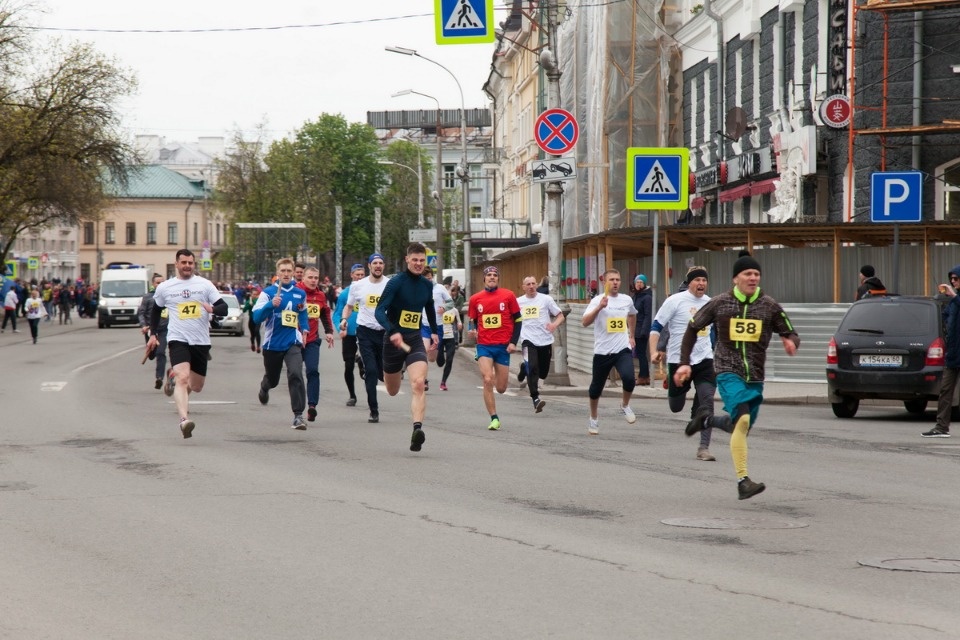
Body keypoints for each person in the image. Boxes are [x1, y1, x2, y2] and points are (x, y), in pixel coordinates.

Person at [676, 252, 800, 500]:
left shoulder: (769, 305)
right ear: (736, 278)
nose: (753, 277)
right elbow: (692, 328)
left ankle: (706, 420)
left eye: (756, 274)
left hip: (755, 375)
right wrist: (684, 363)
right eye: (747, 274)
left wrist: (790, 341)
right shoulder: (720, 303)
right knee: (742, 418)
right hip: (727, 370)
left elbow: (791, 331)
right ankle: (743, 481)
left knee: (739, 427)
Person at [649, 266, 727, 461]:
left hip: (704, 359)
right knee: (676, 406)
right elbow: (656, 327)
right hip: (679, 361)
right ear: (689, 282)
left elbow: (719, 333)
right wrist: (653, 351)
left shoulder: (710, 303)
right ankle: (687, 400)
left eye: (704, 280)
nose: (701, 283)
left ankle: (703, 448)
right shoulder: (674, 301)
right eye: (697, 280)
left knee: (707, 401)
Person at [147, 249, 227, 439]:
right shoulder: (166, 287)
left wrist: (213, 308)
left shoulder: (204, 285)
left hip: (200, 340)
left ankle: (174, 379)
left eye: (190, 263)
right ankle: (184, 420)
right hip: (178, 339)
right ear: (176, 264)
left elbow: (224, 307)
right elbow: (156, 311)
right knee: (183, 378)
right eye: (183, 263)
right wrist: (153, 334)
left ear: (194, 264)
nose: (187, 266)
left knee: (196, 386)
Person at [374, 242, 439, 452]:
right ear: (407, 260)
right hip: (393, 341)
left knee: (419, 383)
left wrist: (436, 331)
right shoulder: (396, 283)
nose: (419, 264)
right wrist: (392, 330)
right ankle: (381, 368)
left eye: (422, 260)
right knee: (392, 390)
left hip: (414, 339)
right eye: (415, 260)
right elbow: (379, 311)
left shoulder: (427, 285)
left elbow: (429, 307)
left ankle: (417, 430)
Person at [251, 258, 311, 430]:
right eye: (282, 271)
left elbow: (302, 313)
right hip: (272, 344)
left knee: (296, 374)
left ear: (293, 272)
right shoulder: (268, 293)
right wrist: (271, 305)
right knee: (274, 379)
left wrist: (305, 329)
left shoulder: (300, 293)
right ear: (277, 273)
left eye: (288, 271)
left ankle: (298, 416)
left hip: (292, 341)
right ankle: (265, 386)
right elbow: (257, 317)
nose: (286, 274)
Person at [581, 269, 638, 435]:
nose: (615, 282)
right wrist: (599, 308)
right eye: (612, 279)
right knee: (595, 389)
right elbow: (584, 322)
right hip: (602, 351)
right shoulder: (598, 300)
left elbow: (632, 315)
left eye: (618, 280)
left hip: (622, 349)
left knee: (629, 378)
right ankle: (593, 418)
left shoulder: (626, 300)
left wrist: (631, 335)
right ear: (604, 282)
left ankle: (625, 405)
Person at [467, 265, 522, 431]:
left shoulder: (508, 295)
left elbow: (518, 320)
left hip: (503, 346)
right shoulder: (475, 299)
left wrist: (513, 342)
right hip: (484, 345)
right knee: (487, 379)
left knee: (501, 388)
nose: (492, 277)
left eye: (494, 275)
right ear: (484, 279)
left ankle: (519, 369)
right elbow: (473, 319)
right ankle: (494, 418)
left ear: (498, 279)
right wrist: (473, 330)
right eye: (489, 275)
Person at [342, 253, 390, 423]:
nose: (378, 266)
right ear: (369, 266)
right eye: (375, 263)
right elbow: (348, 307)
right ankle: (373, 410)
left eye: (381, 263)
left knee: (383, 374)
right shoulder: (358, 286)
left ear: (383, 266)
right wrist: (344, 320)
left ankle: (362, 362)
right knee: (371, 371)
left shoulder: (390, 284)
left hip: (384, 333)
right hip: (365, 332)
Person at [516, 275, 565, 413]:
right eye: (528, 284)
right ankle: (535, 399)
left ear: (537, 285)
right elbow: (509, 318)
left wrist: (554, 325)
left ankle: (522, 368)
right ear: (523, 287)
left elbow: (560, 315)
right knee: (532, 368)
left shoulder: (546, 299)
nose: (531, 286)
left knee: (543, 373)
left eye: (533, 283)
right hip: (527, 340)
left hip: (545, 340)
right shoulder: (518, 301)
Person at [923, 265, 960, 438]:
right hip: (953, 354)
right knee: (945, 391)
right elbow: (946, 318)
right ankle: (941, 426)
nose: (953, 282)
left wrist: (954, 297)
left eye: (956, 278)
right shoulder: (954, 302)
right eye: (951, 279)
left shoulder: (957, 299)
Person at [298, 266, 335, 422]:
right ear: (303, 278)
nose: (313, 281)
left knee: (313, 371)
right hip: (294, 341)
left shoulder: (320, 295)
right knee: (295, 374)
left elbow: (325, 313)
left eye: (316, 278)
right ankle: (267, 385)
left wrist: (329, 331)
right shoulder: (295, 292)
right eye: (310, 277)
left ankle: (312, 406)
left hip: (312, 340)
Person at [334, 264, 366, 406]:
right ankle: (352, 395)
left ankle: (361, 362)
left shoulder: (369, 291)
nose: (359, 277)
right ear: (351, 275)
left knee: (370, 362)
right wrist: (340, 326)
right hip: (349, 333)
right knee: (348, 365)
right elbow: (337, 314)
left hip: (365, 332)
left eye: (362, 274)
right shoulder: (345, 294)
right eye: (357, 274)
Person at [421, 266, 454, 390]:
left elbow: (451, 303)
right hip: (424, 325)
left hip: (438, 326)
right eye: (425, 279)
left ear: (432, 277)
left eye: (430, 278)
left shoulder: (439, 288)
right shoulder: (418, 287)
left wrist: (444, 308)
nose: (428, 281)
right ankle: (424, 380)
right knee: (423, 353)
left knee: (432, 358)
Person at [138, 273, 169, 391]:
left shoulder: (169, 297)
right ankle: (151, 352)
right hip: (151, 330)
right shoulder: (148, 297)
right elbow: (141, 313)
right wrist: (144, 325)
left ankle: (159, 378)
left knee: (161, 353)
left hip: (164, 330)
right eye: (158, 283)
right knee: (152, 355)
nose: (161, 285)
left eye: (163, 282)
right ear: (153, 284)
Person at [632, 274, 653, 385]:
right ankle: (644, 376)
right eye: (637, 282)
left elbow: (647, 315)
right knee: (639, 354)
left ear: (644, 284)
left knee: (641, 354)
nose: (639, 284)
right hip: (634, 329)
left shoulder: (647, 297)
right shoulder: (635, 296)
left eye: (641, 282)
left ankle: (643, 376)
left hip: (641, 330)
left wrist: (644, 331)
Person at [438, 300, 462, 391]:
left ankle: (443, 382)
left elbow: (459, 321)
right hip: (440, 337)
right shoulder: (438, 308)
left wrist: (460, 325)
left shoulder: (454, 310)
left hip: (450, 337)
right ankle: (440, 358)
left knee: (450, 359)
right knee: (440, 362)